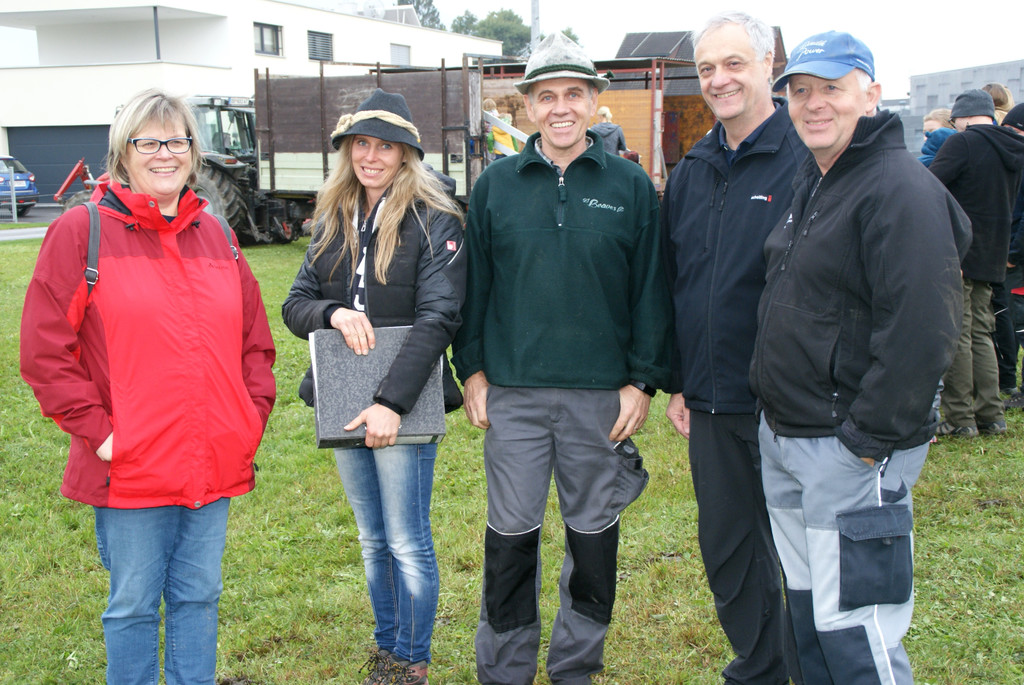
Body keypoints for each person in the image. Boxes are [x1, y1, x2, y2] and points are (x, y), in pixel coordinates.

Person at [20, 88, 277, 684]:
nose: (166, 153)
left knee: (199, 597)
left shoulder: (218, 235)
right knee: (134, 605)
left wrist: (247, 419)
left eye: (177, 140)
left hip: (212, 457)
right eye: (149, 142)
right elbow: (45, 352)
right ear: (123, 153)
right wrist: (102, 434)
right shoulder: (81, 232)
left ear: (193, 151)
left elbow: (255, 345)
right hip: (131, 466)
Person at [452, 32, 673, 685]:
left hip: (600, 398)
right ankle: (505, 668)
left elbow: (651, 289)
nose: (560, 108)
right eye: (546, 96)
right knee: (510, 539)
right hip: (514, 395)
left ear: (594, 100)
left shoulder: (630, 186)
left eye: (574, 94)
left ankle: (576, 665)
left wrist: (642, 380)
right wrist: (473, 370)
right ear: (527, 106)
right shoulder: (494, 186)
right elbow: (474, 287)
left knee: (593, 539)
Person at [751, 32, 970, 683]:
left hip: (848, 451)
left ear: (870, 95)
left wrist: (866, 442)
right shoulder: (817, 177)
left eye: (832, 88)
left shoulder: (900, 190)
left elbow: (924, 330)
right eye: (800, 91)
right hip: (788, 436)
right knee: (810, 614)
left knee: (856, 626)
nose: (814, 103)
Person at [281, 89, 466, 685]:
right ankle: (387, 651)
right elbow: (295, 304)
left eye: (385, 146)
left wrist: (391, 403)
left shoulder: (434, 217)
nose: (371, 156)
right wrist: (332, 313)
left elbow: (440, 317)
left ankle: (411, 662)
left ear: (406, 153)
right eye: (361, 143)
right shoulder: (334, 216)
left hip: (401, 401)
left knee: (407, 539)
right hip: (342, 396)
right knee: (372, 538)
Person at [661, 11, 806, 685]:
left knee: (804, 552)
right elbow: (677, 279)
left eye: (734, 63)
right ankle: (761, 665)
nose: (719, 79)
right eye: (707, 68)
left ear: (769, 64)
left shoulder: (808, 159)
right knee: (729, 549)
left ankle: (815, 668)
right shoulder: (693, 169)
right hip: (713, 401)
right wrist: (680, 379)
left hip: (792, 403)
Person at [930, 88, 1024, 436]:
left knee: (957, 334)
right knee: (982, 333)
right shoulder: (1013, 147)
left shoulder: (963, 143)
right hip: (994, 253)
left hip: (959, 251)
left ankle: (960, 418)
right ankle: (991, 414)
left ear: (964, 118)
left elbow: (928, 186)